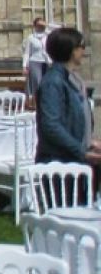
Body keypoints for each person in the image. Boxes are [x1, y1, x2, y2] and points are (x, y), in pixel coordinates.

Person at [34, 27, 100, 168]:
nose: (83, 51)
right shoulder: (53, 82)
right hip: (60, 163)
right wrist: (81, 150)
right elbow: (51, 126)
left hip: (74, 159)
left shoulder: (72, 78)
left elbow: (75, 119)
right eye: (81, 46)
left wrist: (89, 142)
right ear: (72, 50)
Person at [21, 18, 50, 99]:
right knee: (37, 82)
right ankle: (37, 102)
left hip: (46, 62)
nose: (41, 27)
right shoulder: (31, 37)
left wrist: (47, 25)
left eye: (42, 25)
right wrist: (24, 66)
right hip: (35, 61)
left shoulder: (48, 36)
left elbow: (60, 29)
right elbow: (27, 53)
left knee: (47, 82)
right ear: (35, 26)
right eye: (39, 25)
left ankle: (45, 101)